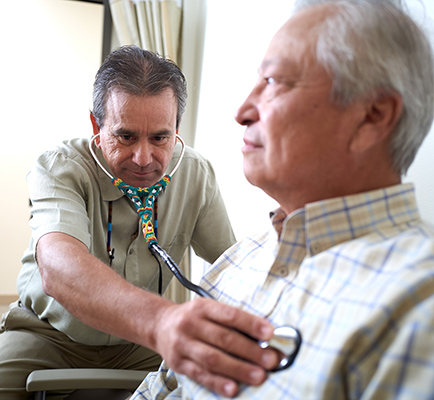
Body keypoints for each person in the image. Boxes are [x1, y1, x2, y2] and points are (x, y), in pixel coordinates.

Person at [131, 0, 434, 398]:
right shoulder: (236, 264)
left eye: (274, 82)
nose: (241, 111)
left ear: (372, 116)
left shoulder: (417, 305)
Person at [0, 46, 281, 400]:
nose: (144, 158)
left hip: (138, 344)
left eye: (161, 138)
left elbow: (233, 266)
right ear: (96, 127)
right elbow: (59, 267)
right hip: (47, 335)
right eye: (126, 136)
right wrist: (162, 321)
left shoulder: (195, 174)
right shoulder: (59, 167)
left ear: (177, 128)